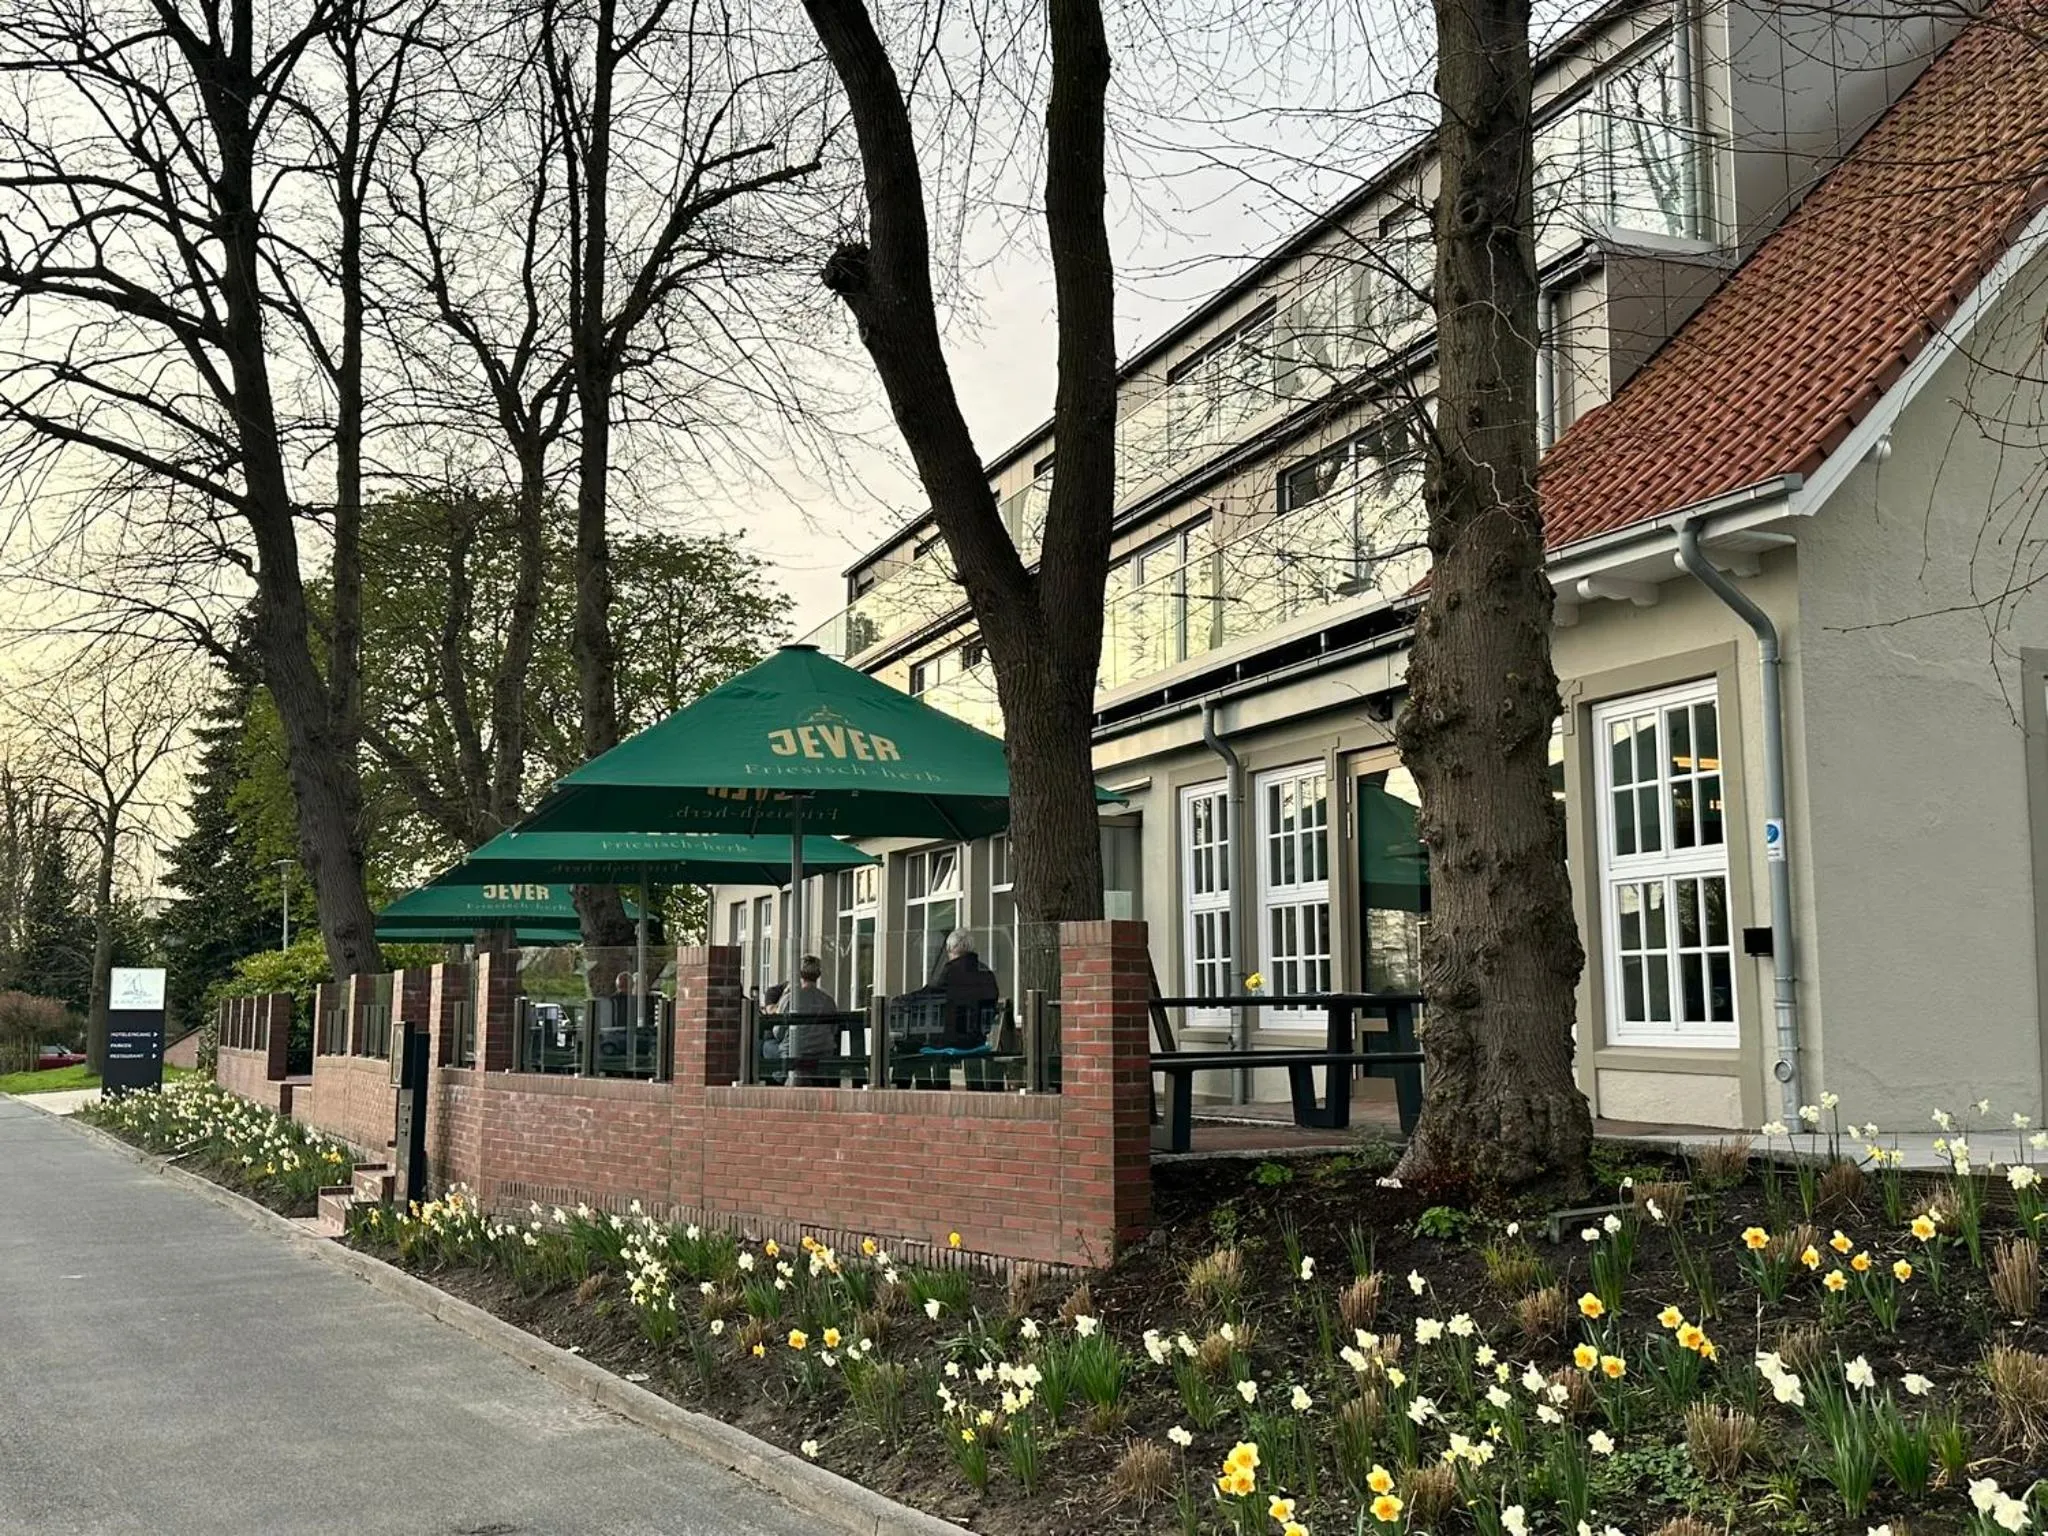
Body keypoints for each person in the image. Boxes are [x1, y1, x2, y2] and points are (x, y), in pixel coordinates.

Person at [924, 929, 999, 1049]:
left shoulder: (950, 971)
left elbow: (929, 994)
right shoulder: (986, 972)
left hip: (950, 1038)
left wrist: (900, 1000)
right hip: (978, 1038)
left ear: (950, 948)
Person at [779, 955, 839, 1085]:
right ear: (819, 975)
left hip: (795, 1051)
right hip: (822, 1051)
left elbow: (778, 1031)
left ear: (799, 975)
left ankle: (778, 1079)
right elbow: (834, 1029)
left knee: (766, 1047)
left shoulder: (791, 999)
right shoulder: (828, 1000)